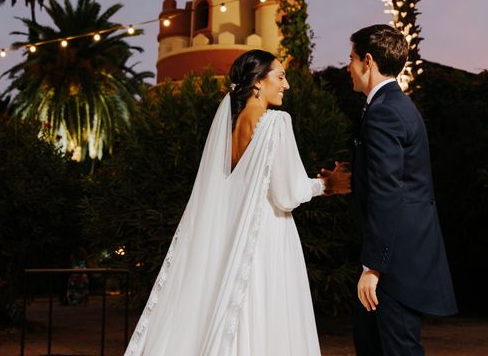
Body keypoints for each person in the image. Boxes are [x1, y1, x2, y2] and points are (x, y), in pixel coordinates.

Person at [124, 49, 350, 356]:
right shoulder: (276, 122)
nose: (287, 86)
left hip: (233, 239)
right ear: (257, 82)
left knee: (240, 314)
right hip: (268, 237)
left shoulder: (229, 129)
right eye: (280, 77)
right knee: (266, 316)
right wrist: (326, 184)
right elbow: (287, 194)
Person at [346, 25, 457, 355]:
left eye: (351, 58)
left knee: (397, 349)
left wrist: (373, 267)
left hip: (393, 262)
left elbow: (387, 191)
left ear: (368, 61)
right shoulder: (393, 105)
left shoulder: (384, 112)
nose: (348, 66)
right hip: (399, 253)